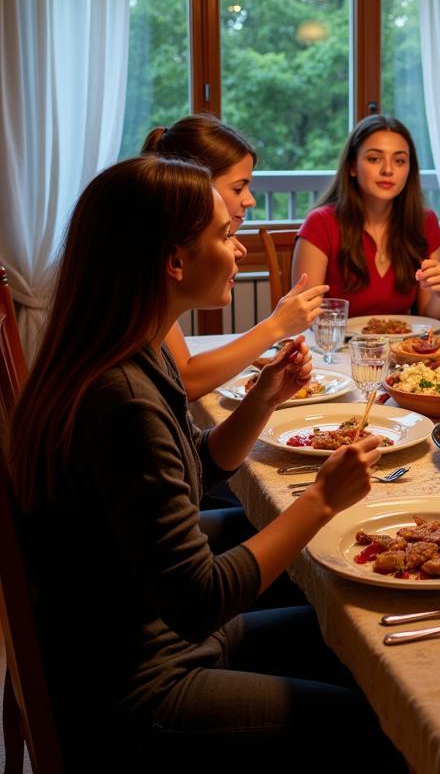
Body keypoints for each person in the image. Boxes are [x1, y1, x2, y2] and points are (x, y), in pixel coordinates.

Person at [8, 156, 404, 769]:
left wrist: (261, 399)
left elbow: (190, 473)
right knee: (374, 725)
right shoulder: (122, 401)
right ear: (174, 261)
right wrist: (320, 499)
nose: (240, 248)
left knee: (350, 640)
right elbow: (199, 598)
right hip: (140, 689)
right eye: (224, 234)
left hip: (151, 639)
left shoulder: (130, 353)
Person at [143, 116, 328, 401]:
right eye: (238, 187)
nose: (250, 200)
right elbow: (185, 379)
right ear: (197, 184)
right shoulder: (149, 266)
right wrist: (275, 326)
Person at [292, 115, 440, 319]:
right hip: (339, 349)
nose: (388, 170)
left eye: (400, 161)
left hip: (402, 349)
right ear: (351, 167)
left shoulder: (425, 222)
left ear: (409, 170)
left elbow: (434, 321)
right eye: (374, 159)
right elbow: (303, 318)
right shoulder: (320, 223)